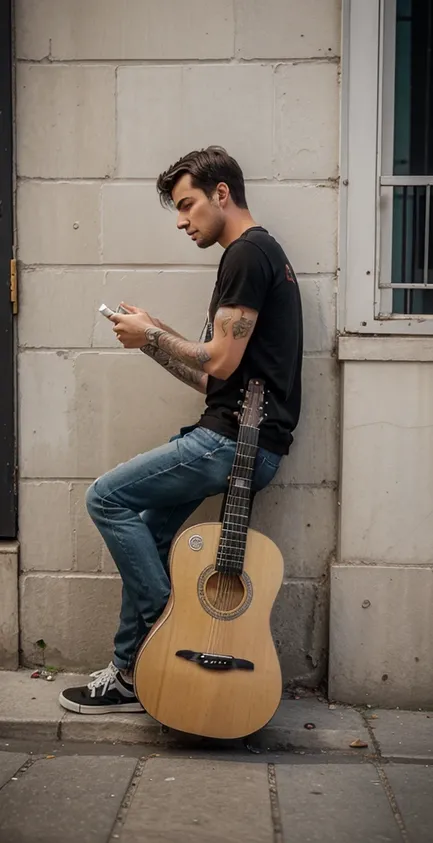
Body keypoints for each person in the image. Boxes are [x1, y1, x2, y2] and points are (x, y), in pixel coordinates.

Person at [59, 146, 303, 714]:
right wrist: (152, 336)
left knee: (104, 498)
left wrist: (151, 336)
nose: (181, 219)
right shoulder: (260, 256)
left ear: (223, 194)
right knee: (146, 527)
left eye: (188, 204)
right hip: (235, 435)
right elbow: (213, 376)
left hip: (233, 444)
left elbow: (216, 360)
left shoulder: (246, 254)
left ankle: (174, 627)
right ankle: (127, 675)